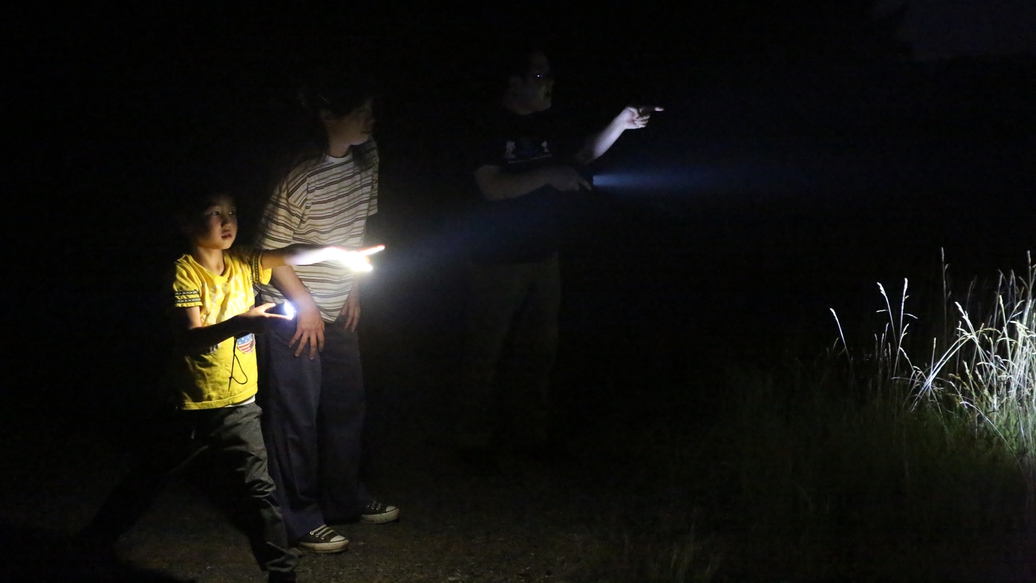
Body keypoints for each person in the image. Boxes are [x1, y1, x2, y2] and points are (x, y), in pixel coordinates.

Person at [78, 188, 379, 582]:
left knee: (261, 492)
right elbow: (190, 338)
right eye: (214, 213)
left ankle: (281, 573)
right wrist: (244, 322)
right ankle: (91, 543)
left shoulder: (244, 261)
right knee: (149, 478)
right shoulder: (183, 272)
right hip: (189, 406)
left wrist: (338, 253)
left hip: (239, 405)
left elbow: (288, 254)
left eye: (232, 212)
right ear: (186, 222)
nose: (227, 221)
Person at [457, 47, 661, 467]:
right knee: (486, 352)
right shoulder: (486, 124)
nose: (548, 82)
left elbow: (582, 155)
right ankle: (474, 441)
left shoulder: (551, 119)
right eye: (538, 75)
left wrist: (621, 123)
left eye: (549, 73)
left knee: (538, 352)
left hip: (544, 255)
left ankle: (532, 437)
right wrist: (549, 175)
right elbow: (491, 188)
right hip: (497, 259)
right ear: (513, 82)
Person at [255, 70, 398, 555]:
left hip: (338, 305)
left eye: (371, 111)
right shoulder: (298, 174)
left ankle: (344, 498)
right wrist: (307, 305)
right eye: (360, 113)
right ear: (328, 115)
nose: (370, 120)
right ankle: (298, 517)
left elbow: (357, 227)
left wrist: (352, 288)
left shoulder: (367, 157)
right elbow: (268, 253)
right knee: (296, 415)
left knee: (346, 404)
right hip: (293, 308)